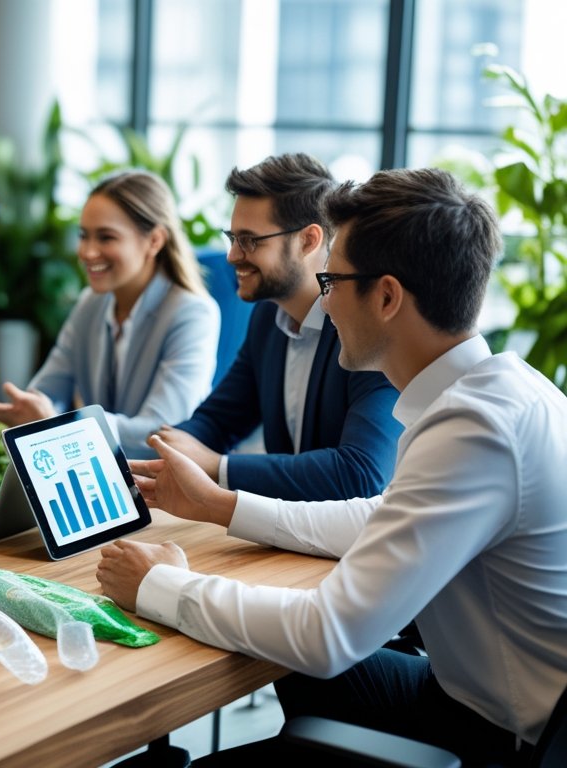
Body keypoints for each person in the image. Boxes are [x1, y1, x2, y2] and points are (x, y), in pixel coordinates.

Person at [98, 168, 567, 765]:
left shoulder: (475, 430)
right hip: (479, 697)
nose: (321, 300)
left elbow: (327, 636)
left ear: (388, 296)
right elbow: (381, 516)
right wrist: (219, 506)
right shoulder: (502, 388)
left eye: (333, 280)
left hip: (500, 737)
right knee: (274, 652)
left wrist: (160, 583)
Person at [155, 153, 401, 501]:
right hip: (287, 539)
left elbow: (360, 474)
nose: (233, 256)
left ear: (308, 240)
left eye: (250, 241)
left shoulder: (368, 327)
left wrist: (217, 466)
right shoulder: (268, 318)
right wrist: (170, 450)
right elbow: (219, 420)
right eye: (232, 237)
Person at [0, 171, 219, 459]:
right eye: (83, 236)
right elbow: (45, 392)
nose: (88, 252)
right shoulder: (91, 303)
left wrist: (61, 426)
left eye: (106, 237)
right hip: (99, 477)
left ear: (155, 240)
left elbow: (160, 434)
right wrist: (27, 411)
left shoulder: (192, 314)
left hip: (161, 490)